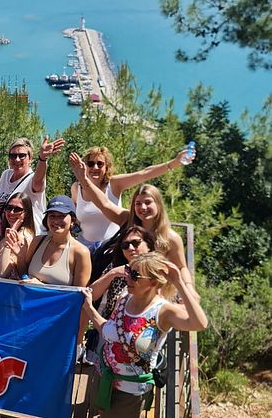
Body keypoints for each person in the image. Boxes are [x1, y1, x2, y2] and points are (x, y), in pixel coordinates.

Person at [81, 252, 207, 417]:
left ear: (153, 281)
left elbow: (199, 323)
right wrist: (89, 309)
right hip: (103, 376)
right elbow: (109, 331)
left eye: (134, 275)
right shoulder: (124, 298)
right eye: (128, 271)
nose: (128, 278)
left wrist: (179, 283)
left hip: (131, 391)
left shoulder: (163, 312)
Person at [68, 153, 197, 296]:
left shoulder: (170, 237)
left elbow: (181, 267)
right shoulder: (127, 221)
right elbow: (103, 204)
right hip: (123, 292)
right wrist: (84, 179)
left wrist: (189, 288)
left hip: (155, 294)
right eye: (138, 203)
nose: (143, 207)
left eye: (148, 202)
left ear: (158, 205)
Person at [70, 146, 194, 248]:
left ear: (106, 167)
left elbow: (143, 174)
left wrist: (174, 163)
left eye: (100, 164)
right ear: (84, 166)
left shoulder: (114, 184)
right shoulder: (76, 188)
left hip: (111, 247)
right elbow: (74, 215)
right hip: (84, 247)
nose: (95, 167)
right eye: (91, 164)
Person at [85, 226, 156, 365]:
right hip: (108, 331)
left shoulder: (156, 273)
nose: (130, 248)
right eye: (125, 245)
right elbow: (91, 294)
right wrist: (112, 274)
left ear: (148, 245)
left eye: (136, 243)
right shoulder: (116, 267)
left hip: (139, 338)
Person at [0, 136, 66, 239]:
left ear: (30, 158)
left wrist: (42, 159)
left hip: (26, 239)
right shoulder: (6, 174)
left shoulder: (32, 180)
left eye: (22, 156)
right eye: (13, 156)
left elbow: (38, 181)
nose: (17, 159)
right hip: (1, 235)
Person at [23, 195, 91, 287]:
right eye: (52, 216)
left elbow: (78, 295)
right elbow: (22, 273)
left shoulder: (81, 252)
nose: (56, 221)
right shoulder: (37, 242)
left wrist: (42, 287)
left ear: (73, 220)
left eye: (61, 216)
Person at [0, 193, 36, 279]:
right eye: (9, 208)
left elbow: (2, 273)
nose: (12, 212)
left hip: (7, 289)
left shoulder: (22, 237)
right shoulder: (12, 231)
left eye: (17, 209)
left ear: (26, 213)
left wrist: (8, 243)